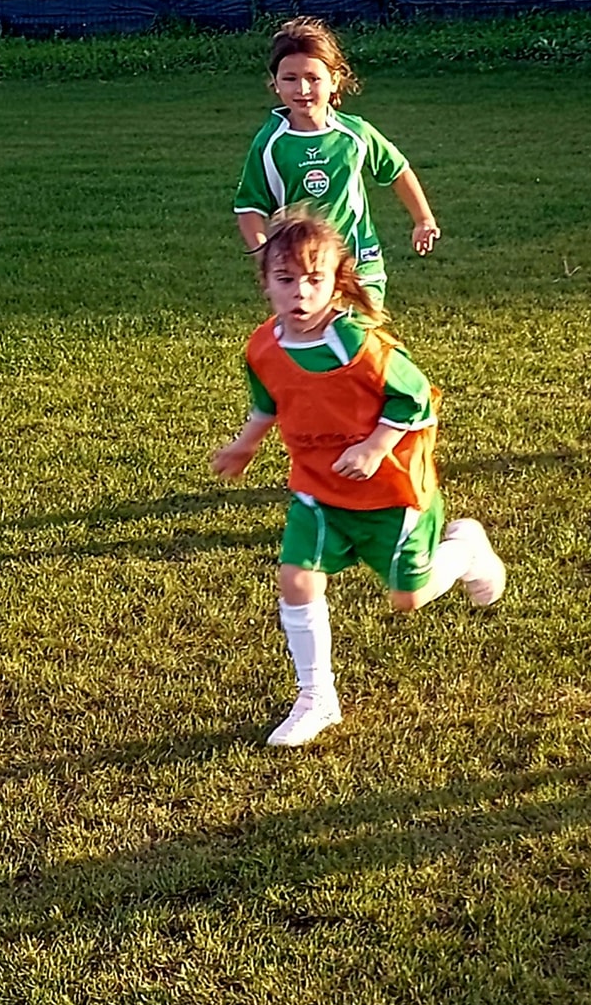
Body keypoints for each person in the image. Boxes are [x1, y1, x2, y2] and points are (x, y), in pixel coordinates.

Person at [212, 209, 505, 749]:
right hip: (318, 490)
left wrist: (374, 447)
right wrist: (245, 444)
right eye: (286, 279)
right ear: (265, 282)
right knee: (297, 579)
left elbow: (416, 398)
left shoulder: (358, 342)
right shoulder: (263, 347)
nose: (301, 293)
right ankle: (316, 697)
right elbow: (270, 401)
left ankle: (464, 549)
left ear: (336, 280)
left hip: (390, 492)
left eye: (314, 279)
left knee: (408, 599)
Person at [234, 17, 441, 311]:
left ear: (334, 80)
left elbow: (397, 171)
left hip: (358, 261)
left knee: (359, 332)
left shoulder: (355, 133)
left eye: (313, 78)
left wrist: (423, 219)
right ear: (275, 83)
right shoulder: (270, 143)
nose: (302, 88)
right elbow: (248, 209)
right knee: (315, 336)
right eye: (290, 78)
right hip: (304, 271)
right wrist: (267, 257)